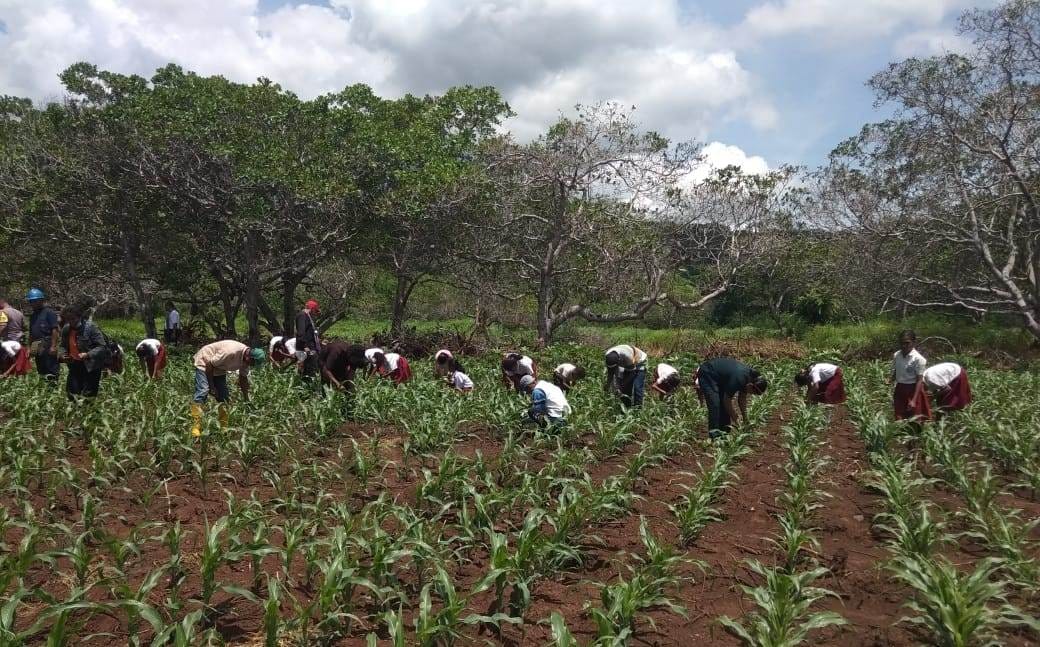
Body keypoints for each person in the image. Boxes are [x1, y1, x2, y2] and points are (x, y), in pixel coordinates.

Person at [191, 340, 265, 437]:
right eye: (252, 363)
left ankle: (223, 428)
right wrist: (212, 387)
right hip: (205, 361)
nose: (251, 366)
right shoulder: (230, 352)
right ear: (249, 357)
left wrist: (247, 399)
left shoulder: (246, 361)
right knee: (203, 390)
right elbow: (209, 364)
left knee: (224, 397)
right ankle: (195, 429)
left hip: (219, 367)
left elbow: (243, 379)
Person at [695, 357, 769, 439]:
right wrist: (736, 419)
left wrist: (745, 419)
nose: (751, 394)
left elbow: (742, 399)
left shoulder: (750, 379)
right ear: (750, 386)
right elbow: (727, 401)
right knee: (715, 404)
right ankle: (714, 437)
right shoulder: (739, 379)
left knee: (724, 407)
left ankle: (725, 433)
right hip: (708, 373)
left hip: (720, 377)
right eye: (753, 393)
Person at [57, 305, 110, 401]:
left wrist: (88, 354)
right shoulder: (66, 329)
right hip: (74, 365)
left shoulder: (91, 328)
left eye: (73, 318)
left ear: (79, 317)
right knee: (72, 394)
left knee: (88, 396)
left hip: (91, 367)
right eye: (68, 319)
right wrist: (62, 355)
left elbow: (102, 347)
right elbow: (62, 346)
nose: (71, 321)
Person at [891, 330, 930, 421]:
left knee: (914, 416)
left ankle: (915, 434)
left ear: (913, 343)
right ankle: (900, 434)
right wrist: (891, 378)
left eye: (907, 343)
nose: (904, 346)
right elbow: (897, 369)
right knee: (899, 415)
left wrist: (913, 399)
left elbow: (919, 380)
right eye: (901, 343)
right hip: (900, 387)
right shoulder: (897, 355)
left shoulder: (919, 359)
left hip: (912, 389)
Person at [27, 289, 60, 384]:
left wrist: (53, 346)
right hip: (37, 344)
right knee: (41, 367)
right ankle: (44, 387)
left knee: (51, 367)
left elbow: (55, 330)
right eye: (31, 301)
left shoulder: (49, 312)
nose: (33, 303)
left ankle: (53, 388)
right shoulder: (33, 315)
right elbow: (31, 333)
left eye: (35, 301)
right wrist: (29, 347)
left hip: (48, 342)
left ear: (41, 300)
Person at [294, 300, 322, 382]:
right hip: (306, 349)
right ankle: (307, 390)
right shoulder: (302, 315)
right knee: (309, 371)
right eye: (315, 311)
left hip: (310, 347)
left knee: (312, 369)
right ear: (312, 309)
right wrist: (305, 346)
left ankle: (309, 388)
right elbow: (301, 332)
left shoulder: (307, 316)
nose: (315, 313)